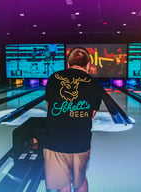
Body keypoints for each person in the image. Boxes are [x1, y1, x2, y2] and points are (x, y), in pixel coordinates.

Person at [44, 47, 103, 192]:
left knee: (62, 186)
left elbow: (49, 106)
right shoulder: (95, 85)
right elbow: (91, 114)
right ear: (88, 65)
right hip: (81, 144)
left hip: (54, 143)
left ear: (68, 64)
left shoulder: (53, 78)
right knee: (80, 181)